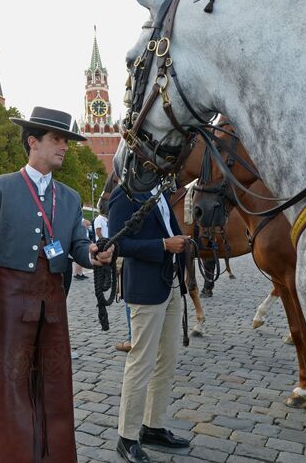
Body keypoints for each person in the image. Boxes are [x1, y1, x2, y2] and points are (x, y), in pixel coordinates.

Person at [0, 106, 113, 463]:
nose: (64, 146)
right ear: (33, 142)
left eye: (66, 140)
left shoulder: (69, 197)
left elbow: (77, 245)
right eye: (57, 139)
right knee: (10, 386)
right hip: (10, 300)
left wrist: (93, 254)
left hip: (53, 301)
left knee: (54, 384)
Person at [108, 183, 190, 463]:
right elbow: (118, 243)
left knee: (166, 360)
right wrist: (164, 245)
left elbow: (169, 229)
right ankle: (127, 436)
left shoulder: (163, 191)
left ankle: (152, 427)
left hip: (170, 283)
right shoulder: (126, 192)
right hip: (145, 288)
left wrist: (183, 240)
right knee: (141, 362)